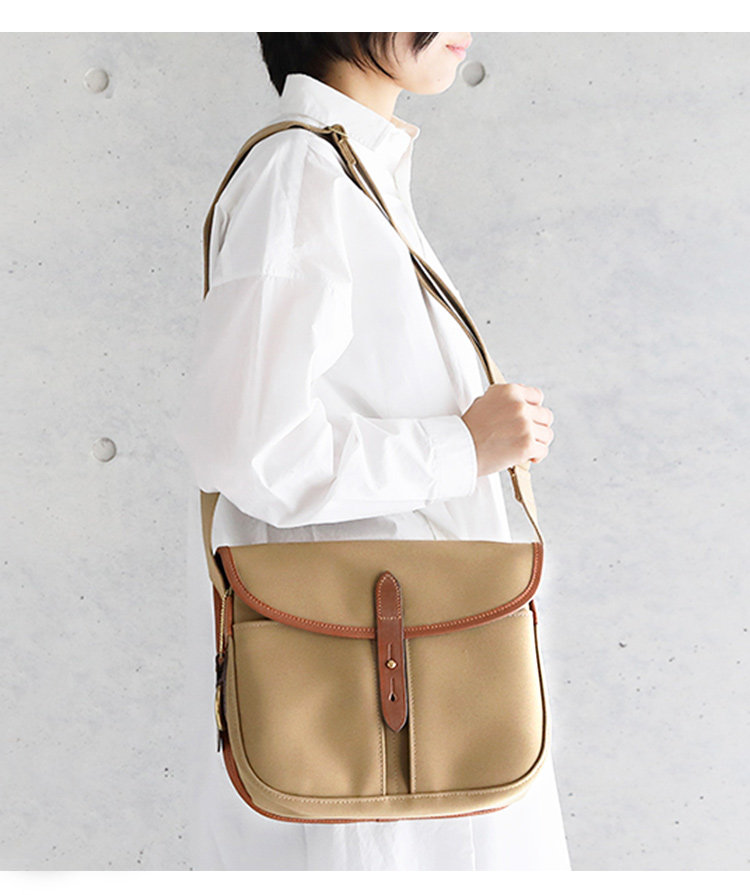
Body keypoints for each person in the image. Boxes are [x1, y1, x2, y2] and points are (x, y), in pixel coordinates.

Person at [174, 32, 570, 871]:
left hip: (426, 689)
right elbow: (250, 446)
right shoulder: (299, 176)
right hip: (357, 713)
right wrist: (462, 447)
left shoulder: (351, 174)